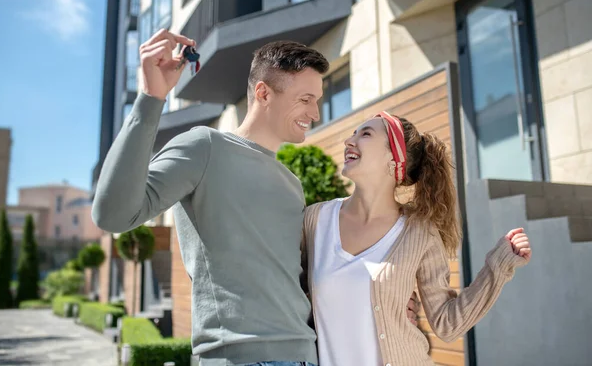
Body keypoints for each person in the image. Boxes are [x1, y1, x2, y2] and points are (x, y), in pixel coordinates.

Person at [92, 30, 420, 366]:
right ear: (263, 93)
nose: (316, 113)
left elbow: (306, 285)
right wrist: (151, 98)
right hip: (240, 357)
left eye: (317, 100)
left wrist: (384, 296)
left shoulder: (292, 184)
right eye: (305, 99)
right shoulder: (205, 147)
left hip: (308, 356)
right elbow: (113, 214)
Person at [302, 112, 532, 366]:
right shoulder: (315, 220)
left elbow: (447, 323)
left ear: (394, 158)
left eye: (365, 134)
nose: (349, 141)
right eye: (353, 133)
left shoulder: (420, 233)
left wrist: (497, 267)